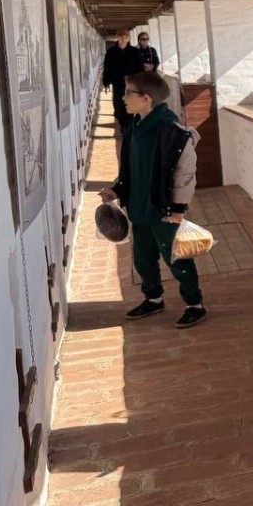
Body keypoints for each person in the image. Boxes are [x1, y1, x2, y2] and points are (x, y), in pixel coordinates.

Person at [100, 71, 206, 329]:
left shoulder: (171, 131)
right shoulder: (135, 128)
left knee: (177, 258)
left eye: (128, 93)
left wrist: (178, 208)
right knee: (142, 259)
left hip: (164, 210)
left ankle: (195, 304)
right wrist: (117, 190)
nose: (123, 97)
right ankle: (154, 298)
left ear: (146, 98)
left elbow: (185, 174)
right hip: (139, 208)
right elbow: (131, 168)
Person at [103, 29, 143, 142]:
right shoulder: (111, 52)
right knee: (118, 106)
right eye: (121, 37)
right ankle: (122, 123)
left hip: (131, 84)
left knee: (129, 104)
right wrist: (106, 82)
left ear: (128, 38)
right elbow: (107, 67)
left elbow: (139, 67)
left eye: (126, 37)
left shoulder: (134, 51)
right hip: (117, 83)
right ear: (117, 37)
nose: (123, 39)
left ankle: (127, 128)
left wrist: (140, 81)